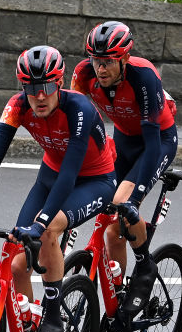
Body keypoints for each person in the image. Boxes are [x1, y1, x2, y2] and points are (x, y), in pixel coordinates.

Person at [0, 45, 116, 332]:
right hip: (49, 176)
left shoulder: (80, 110)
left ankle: (53, 318)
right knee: (18, 265)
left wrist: (43, 220)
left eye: (46, 87)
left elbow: (71, 174)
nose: (40, 96)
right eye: (32, 89)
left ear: (58, 84)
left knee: (47, 231)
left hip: (94, 180)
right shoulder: (17, 107)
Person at [70, 20, 175, 315]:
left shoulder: (144, 77)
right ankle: (117, 295)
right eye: (96, 61)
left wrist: (136, 196)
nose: (100, 69)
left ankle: (145, 265)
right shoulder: (83, 75)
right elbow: (75, 128)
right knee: (110, 227)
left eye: (107, 62)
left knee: (122, 204)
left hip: (157, 142)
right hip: (125, 140)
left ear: (125, 58)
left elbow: (153, 145)